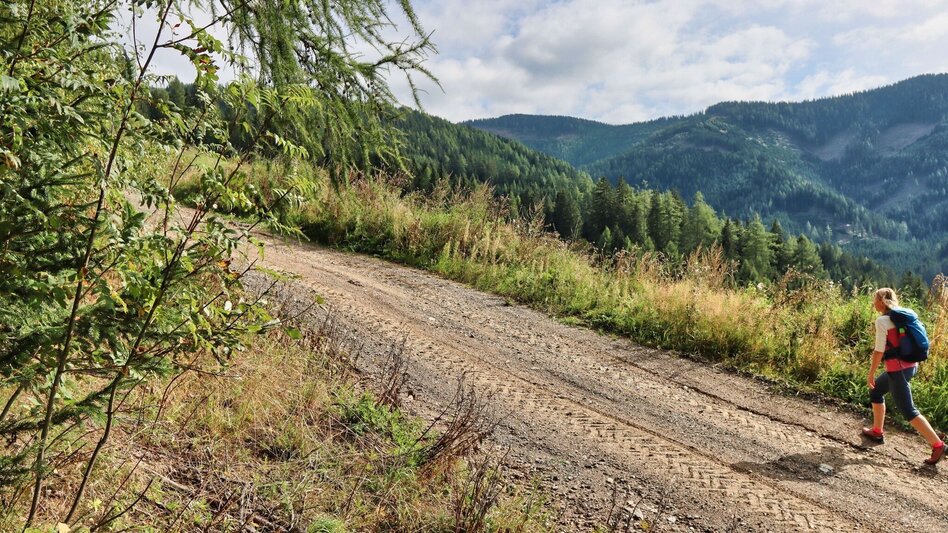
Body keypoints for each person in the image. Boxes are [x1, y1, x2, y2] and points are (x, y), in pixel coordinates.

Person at [861, 287, 945, 464]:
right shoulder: (906, 314)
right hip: (910, 366)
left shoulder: (883, 321)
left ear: (882, 301)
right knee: (876, 392)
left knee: (908, 410)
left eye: (875, 299)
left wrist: (871, 373)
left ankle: (938, 446)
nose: (873, 302)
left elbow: (878, 351)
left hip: (898, 370)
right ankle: (877, 431)